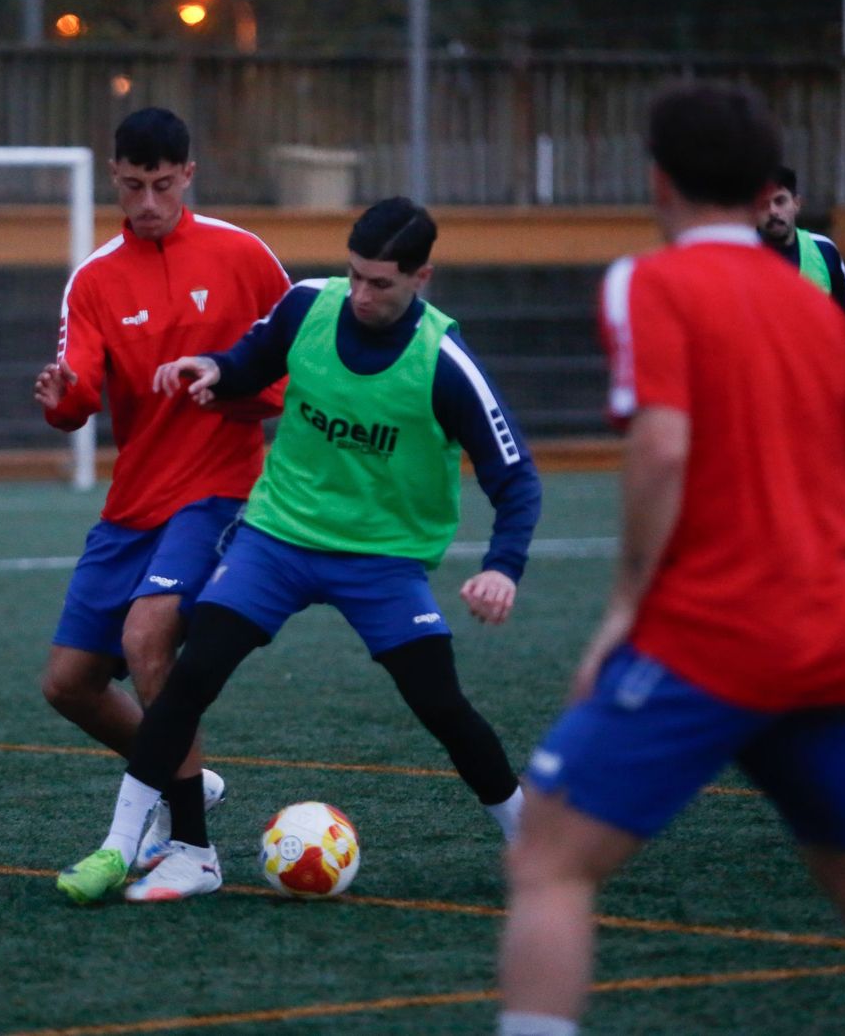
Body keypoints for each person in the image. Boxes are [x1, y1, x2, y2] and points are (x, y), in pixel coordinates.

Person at [496, 83, 845, 1036]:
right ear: (768, 186)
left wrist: (626, 609)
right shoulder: (820, 311)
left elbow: (665, 445)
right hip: (824, 637)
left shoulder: (649, 282)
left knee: (548, 861)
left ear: (658, 180)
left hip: (709, 638)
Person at [56, 196, 541, 905]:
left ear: (421, 278)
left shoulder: (444, 362)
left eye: (381, 283)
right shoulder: (311, 303)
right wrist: (215, 370)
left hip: (381, 559)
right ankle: (141, 849)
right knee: (191, 677)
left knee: (441, 705)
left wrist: (503, 567)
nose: (362, 295)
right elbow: (253, 360)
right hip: (278, 537)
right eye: (355, 276)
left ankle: (531, 840)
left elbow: (515, 478)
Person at [33, 106, 291, 872]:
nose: (147, 203)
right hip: (132, 503)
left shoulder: (244, 257)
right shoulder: (94, 279)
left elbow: (288, 372)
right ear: (114, 176)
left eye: (162, 185)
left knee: (149, 638)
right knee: (69, 685)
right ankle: (189, 777)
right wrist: (62, 399)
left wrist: (234, 391)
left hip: (218, 491)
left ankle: (191, 850)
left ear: (188, 176)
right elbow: (78, 390)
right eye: (133, 185)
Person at [757, 163, 845, 380]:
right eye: (764, 204)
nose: (773, 211)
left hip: (816, 383)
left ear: (796, 204)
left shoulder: (824, 251)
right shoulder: (741, 257)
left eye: (780, 201)